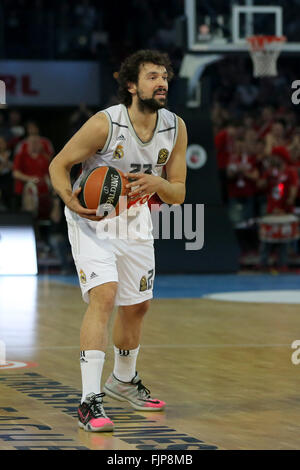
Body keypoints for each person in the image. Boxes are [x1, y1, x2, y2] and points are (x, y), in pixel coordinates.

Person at [49, 49, 187, 433]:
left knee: (137, 306)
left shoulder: (175, 127)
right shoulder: (104, 124)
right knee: (105, 295)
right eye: (152, 76)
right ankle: (89, 400)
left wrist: (160, 184)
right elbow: (58, 165)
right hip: (93, 220)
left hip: (135, 220)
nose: (161, 83)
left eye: (164, 76)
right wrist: (70, 199)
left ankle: (122, 380)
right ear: (131, 85)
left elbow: (178, 193)